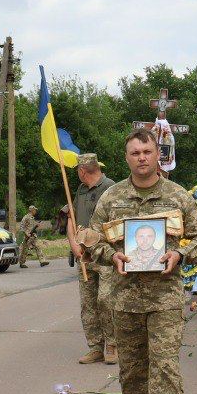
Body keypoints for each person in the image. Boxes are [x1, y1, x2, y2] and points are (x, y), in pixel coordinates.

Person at [89, 129, 197, 394]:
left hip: (165, 300)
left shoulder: (178, 196)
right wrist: (109, 257)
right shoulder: (111, 198)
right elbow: (91, 241)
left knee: (165, 369)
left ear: (158, 155)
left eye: (146, 151)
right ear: (126, 158)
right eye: (134, 152)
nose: (141, 157)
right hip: (124, 300)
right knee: (131, 368)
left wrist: (180, 254)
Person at [69, 153, 117, 365]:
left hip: (106, 255)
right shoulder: (80, 190)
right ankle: (95, 347)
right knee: (88, 303)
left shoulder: (111, 188)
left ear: (82, 171)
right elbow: (70, 216)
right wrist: (73, 244)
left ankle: (113, 345)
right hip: (84, 257)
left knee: (106, 300)